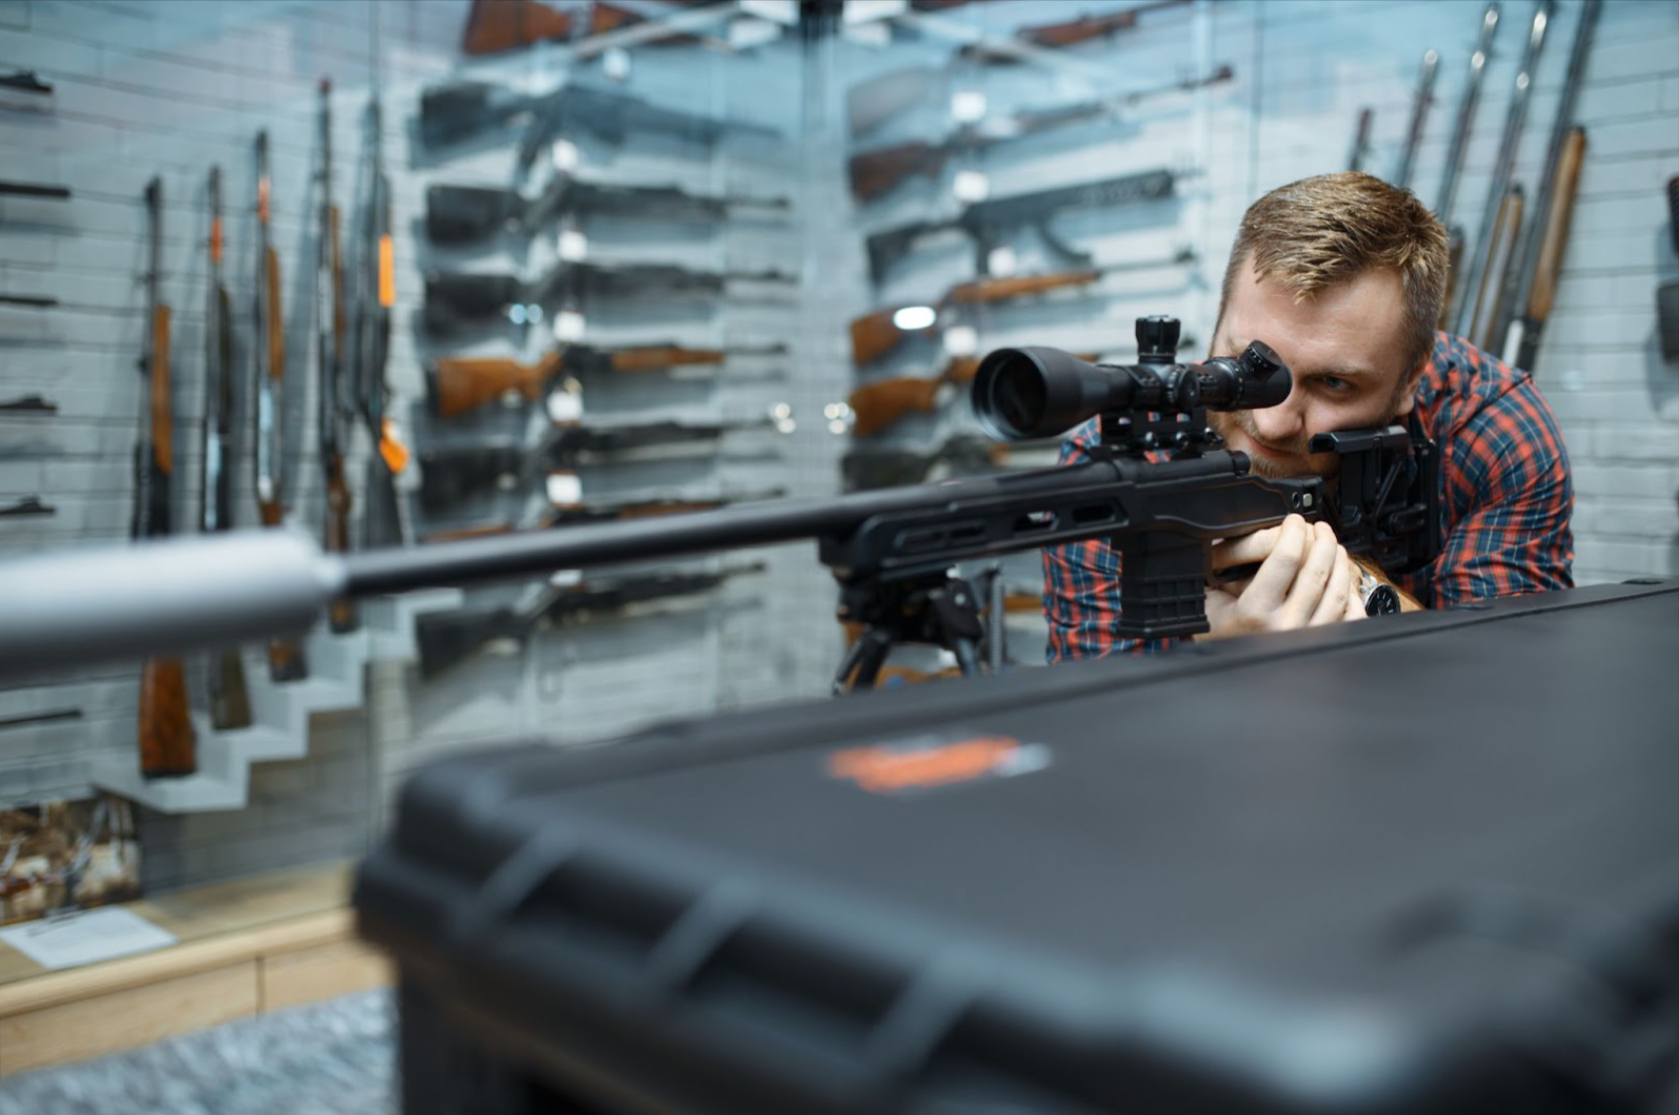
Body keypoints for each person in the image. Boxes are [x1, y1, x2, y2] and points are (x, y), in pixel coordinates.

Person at [1044, 172, 1574, 661]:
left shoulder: (1489, 431)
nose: (1272, 424)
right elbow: (1100, 722)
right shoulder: (1123, 457)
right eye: (1250, 365)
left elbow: (1505, 677)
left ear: (1412, 379)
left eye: (1334, 383)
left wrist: (1355, 595)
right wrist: (1209, 659)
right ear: (1217, 325)